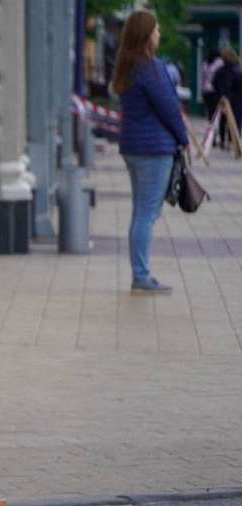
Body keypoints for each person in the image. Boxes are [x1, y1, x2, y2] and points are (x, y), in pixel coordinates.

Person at [111, 10, 187, 294]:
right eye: (155, 30)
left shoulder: (126, 66)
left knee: (140, 212)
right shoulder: (151, 69)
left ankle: (140, 273)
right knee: (146, 214)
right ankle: (141, 276)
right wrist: (184, 140)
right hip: (154, 150)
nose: (159, 35)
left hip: (133, 147)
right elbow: (170, 109)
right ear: (145, 35)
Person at [213, 46, 242, 148]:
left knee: (222, 120)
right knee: (235, 121)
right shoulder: (237, 70)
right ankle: (232, 141)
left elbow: (214, 83)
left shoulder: (220, 70)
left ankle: (222, 140)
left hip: (222, 99)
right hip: (236, 100)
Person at [201, 49, 224, 134]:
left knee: (210, 113)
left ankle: (211, 132)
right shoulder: (219, 63)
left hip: (206, 91)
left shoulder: (205, 64)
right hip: (215, 91)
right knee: (217, 113)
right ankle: (214, 132)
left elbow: (203, 79)